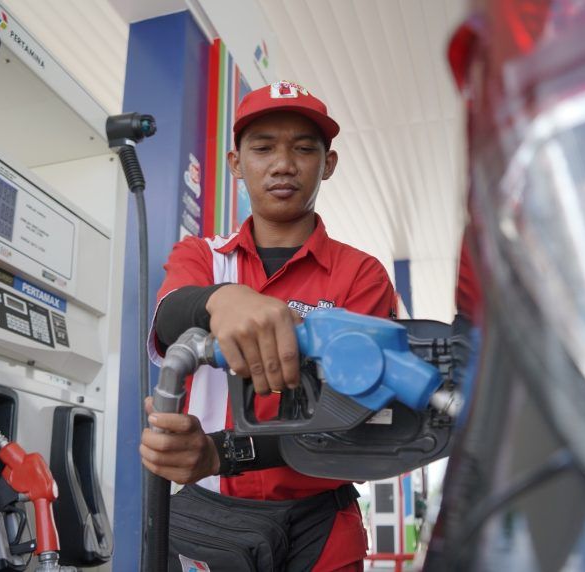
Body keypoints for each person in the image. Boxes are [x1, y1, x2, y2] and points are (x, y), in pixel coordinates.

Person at [141, 80, 396, 571]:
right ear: (236, 163)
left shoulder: (361, 274)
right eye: (262, 148)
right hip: (208, 517)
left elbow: (358, 414)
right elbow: (170, 315)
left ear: (328, 164)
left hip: (321, 526)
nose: (283, 164)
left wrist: (221, 453)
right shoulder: (203, 257)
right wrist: (221, 298)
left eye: (303, 148)